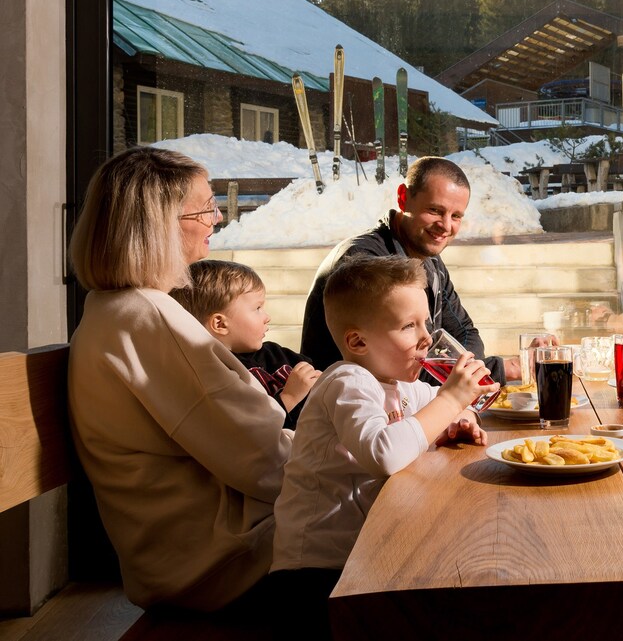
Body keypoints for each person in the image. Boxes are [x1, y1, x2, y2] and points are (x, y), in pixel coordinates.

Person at [67, 146, 292, 610]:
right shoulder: (146, 316)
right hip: (219, 561)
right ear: (158, 223)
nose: (217, 219)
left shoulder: (118, 310)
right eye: (206, 208)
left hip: (188, 551)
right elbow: (264, 461)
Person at [270, 255, 495, 636]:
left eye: (427, 322)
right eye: (409, 326)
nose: (427, 337)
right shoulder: (348, 381)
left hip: (367, 557)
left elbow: (441, 406)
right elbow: (384, 454)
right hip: (314, 575)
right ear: (357, 341)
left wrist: (460, 421)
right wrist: (451, 403)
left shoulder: (403, 384)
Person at [300, 156, 516, 385]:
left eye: (456, 216)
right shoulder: (364, 263)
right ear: (403, 198)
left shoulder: (429, 259)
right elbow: (400, 365)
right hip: (350, 406)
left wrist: (471, 371)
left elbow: (465, 333)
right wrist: (501, 369)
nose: (445, 226)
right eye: (434, 210)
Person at [171, 259, 321, 430]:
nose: (267, 317)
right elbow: (249, 433)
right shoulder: (219, 376)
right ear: (220, 324)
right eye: (257, 308)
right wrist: (289, 398)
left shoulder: (274, 353)